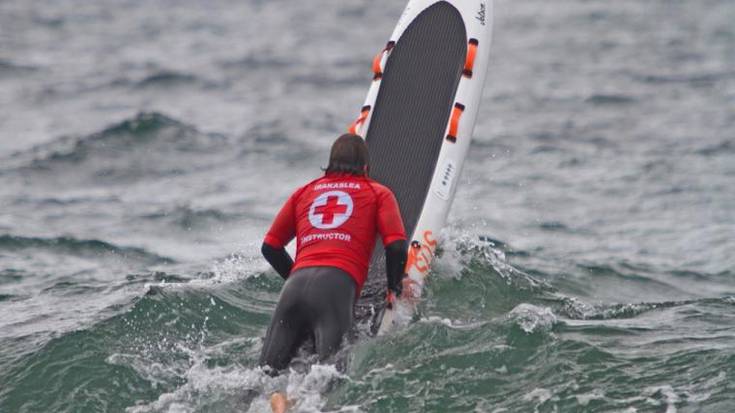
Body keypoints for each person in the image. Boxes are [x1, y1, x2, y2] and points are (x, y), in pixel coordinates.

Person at [259, 133, 408, 376]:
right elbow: (397, 247)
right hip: (335, 288)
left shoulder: (303, 192)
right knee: (330, 381)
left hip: (294, 289)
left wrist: (296, 278)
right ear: (366, 168)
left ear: (328, 165)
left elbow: (270, 247)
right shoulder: (377, 193)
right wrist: (395, 289)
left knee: (262, 378)